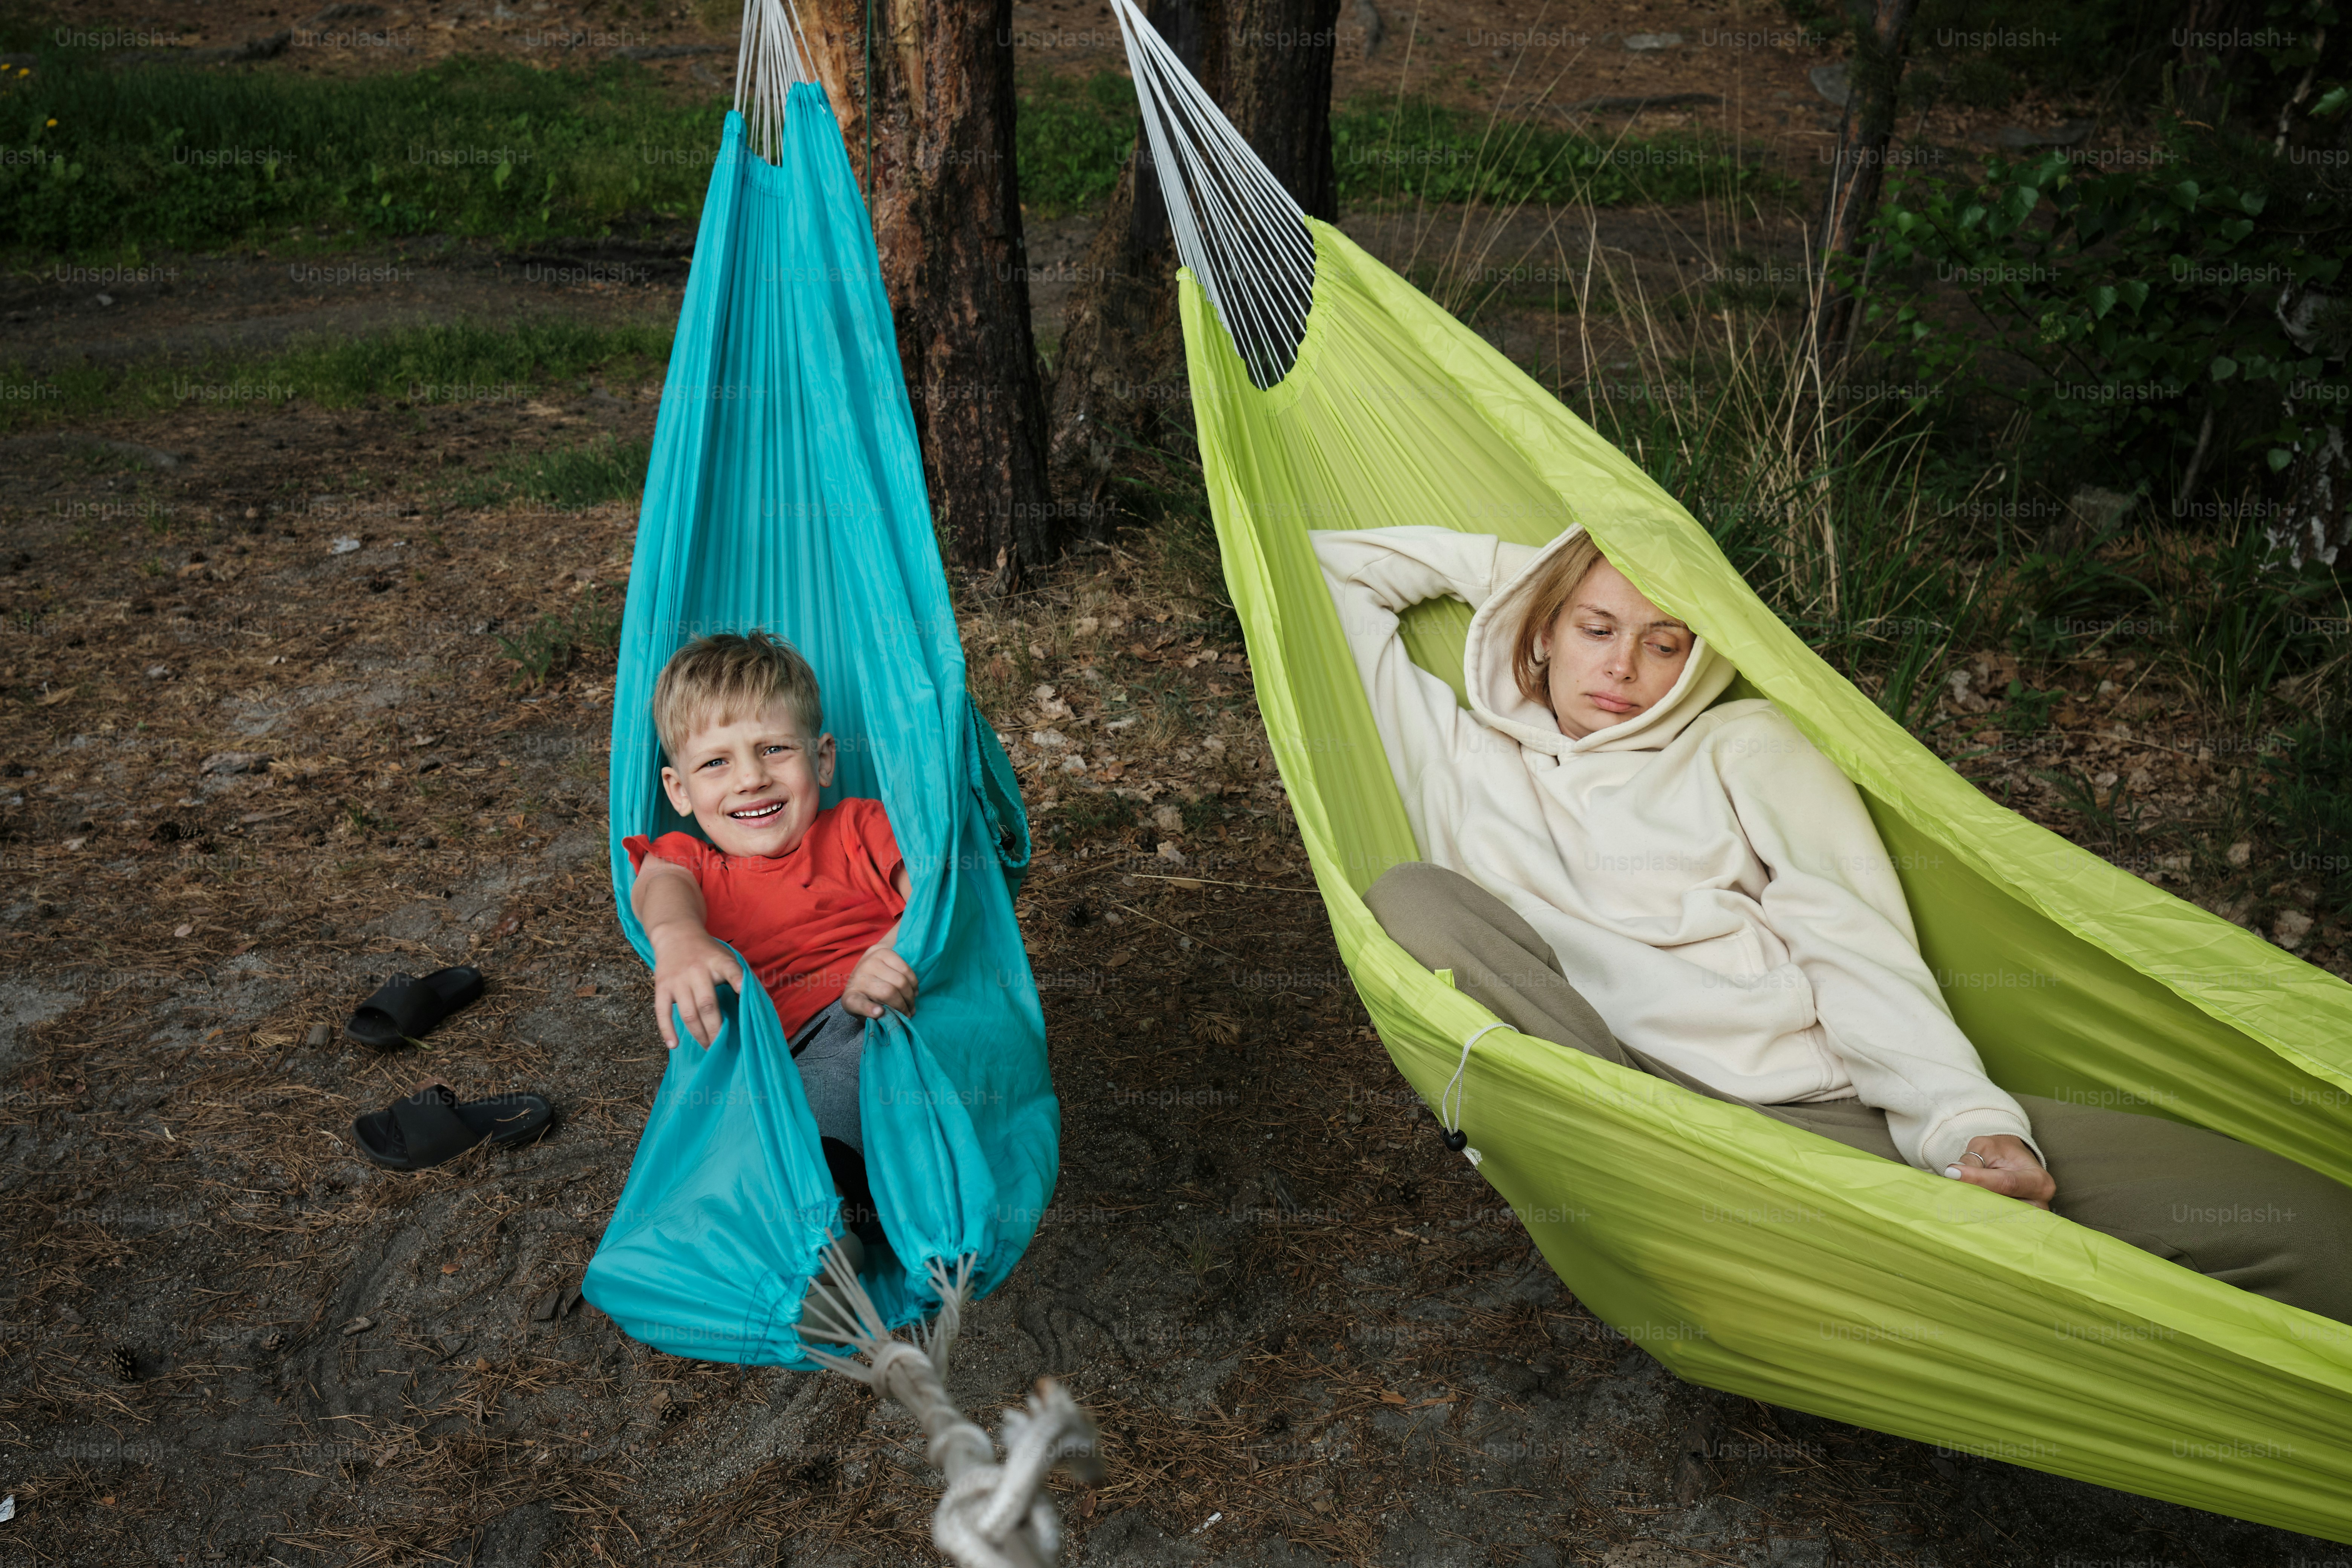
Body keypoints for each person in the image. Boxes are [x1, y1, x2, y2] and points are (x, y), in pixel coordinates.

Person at [1317, 524, 2352, 1323]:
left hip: (1819, 1107)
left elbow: (1850, 935)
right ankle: (1652, 1170)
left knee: (2306, 1224)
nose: (1624, 669)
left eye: (1665, 640)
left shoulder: (1745, 745)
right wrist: (1541, 568)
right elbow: (1329, 570)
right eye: (1596, 629)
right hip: (1623, 1111)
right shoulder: (1451, 752)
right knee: (1414, 899)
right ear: (1540, 629)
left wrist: (1963, 1125)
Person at [622, 630, 913, 1272]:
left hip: (882, 1020)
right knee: (753, 1135)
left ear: (825, 759)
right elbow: (657, 889)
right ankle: (811, 1236)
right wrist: (679, 940)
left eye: (775, 749)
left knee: (840, 1086)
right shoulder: (691, 862)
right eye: (716, 764)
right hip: (777, 1061)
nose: (751, 778)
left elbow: (937, 903)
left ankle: (830, 1236)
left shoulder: (859, 828)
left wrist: (888, 954)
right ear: (678, 790)